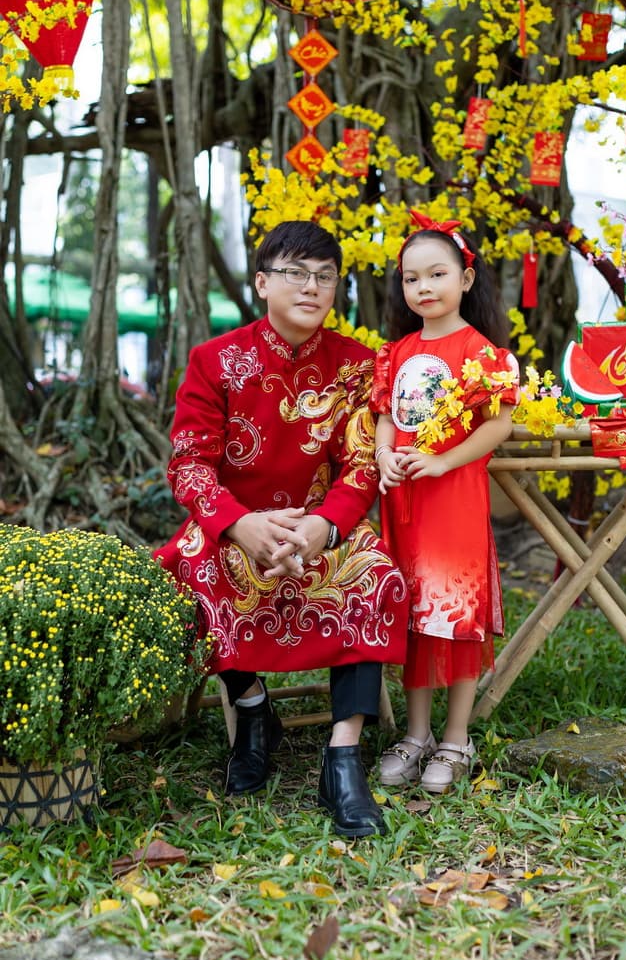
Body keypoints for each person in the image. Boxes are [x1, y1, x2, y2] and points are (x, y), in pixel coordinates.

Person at [155, 220, 408, 837]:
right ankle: (251, 708)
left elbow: (360, 464)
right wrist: (240, 525)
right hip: (240, 528)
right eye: (296, 273)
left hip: (320, 531)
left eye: (325, 276)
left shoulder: (356, 366)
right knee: (194, 565)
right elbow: (188, 462)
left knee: (376, 574)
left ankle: (342, 756)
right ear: (263, 282)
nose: (312, 287)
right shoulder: (214, 361)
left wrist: (325, 526)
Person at [369, 211, 519, 793]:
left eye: (436, 275)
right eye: (411, 279)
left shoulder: (484, 353)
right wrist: (385, 454)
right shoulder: (398, 351)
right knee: (412, 616)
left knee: (455, 616)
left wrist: (442, 461)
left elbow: (499, 425)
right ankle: (416, 734)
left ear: (466, 278)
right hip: (404, 502)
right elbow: (386, 417)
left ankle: (456, 739)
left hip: (453, 499)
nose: (423, 288)